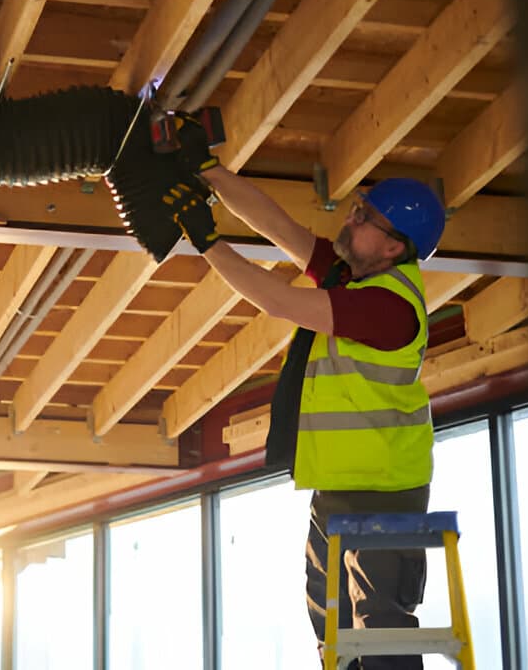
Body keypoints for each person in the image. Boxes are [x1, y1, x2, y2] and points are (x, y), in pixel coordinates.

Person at [160, 117, 446, 670]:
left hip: (383, 492)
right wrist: (209, 171)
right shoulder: (355, 278)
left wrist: (205, 241)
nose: (352, 217)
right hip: (341, 487)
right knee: (330, 629)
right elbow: (280, 228)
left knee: (382, 632)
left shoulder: (388, 308)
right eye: (358, 208)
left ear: (393, 247)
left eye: (366, 219)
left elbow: (278, 300)